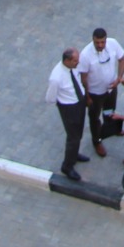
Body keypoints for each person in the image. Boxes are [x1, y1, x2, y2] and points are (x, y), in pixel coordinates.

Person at [46, 47, 88, 181]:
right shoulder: (56, 78)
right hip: (69, 108)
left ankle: (74, 154)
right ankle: (67, 166)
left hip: (79, 102)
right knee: (73, 137)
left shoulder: (72, 67)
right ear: (67, 61)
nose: (78, 63)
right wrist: (63, 105)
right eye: (75, 61)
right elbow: (50, 98)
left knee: (79, 132)